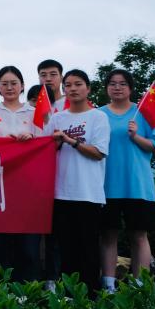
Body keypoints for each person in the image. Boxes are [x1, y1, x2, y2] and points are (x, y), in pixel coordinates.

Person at [99, 69, 155, 292]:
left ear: (131, 88)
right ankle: (108, 286)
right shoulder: (98, 115)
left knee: (139, 236)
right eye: (112, 83)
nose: (117, 87)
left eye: (122, 83)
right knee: (108, 235)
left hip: (138, 186)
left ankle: (139, 287)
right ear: (106, 88)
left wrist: (136, 136)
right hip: (106, 186)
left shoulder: (143, 113)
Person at [48, 69, 109, 293]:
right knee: (66, 249)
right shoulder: (57, 118)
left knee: (88, 248)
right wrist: (55, 144)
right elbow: (46, 151)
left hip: (88, 194)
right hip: (61, 193)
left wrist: (70, 141)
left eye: (78, 84)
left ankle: (90, 296)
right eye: (68, 85)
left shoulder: (98, 117)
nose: (73, 89)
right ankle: (68, 297)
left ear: (88, 88)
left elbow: (99, 152)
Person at [0, 66, 42, 281]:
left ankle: (26, 287)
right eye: (4, 84)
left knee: (27, 242)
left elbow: (46, 143)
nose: (9, 87)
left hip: (28, 185)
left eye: (14, 83)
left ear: (22, 86)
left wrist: (32, 139)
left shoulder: (34, 113)